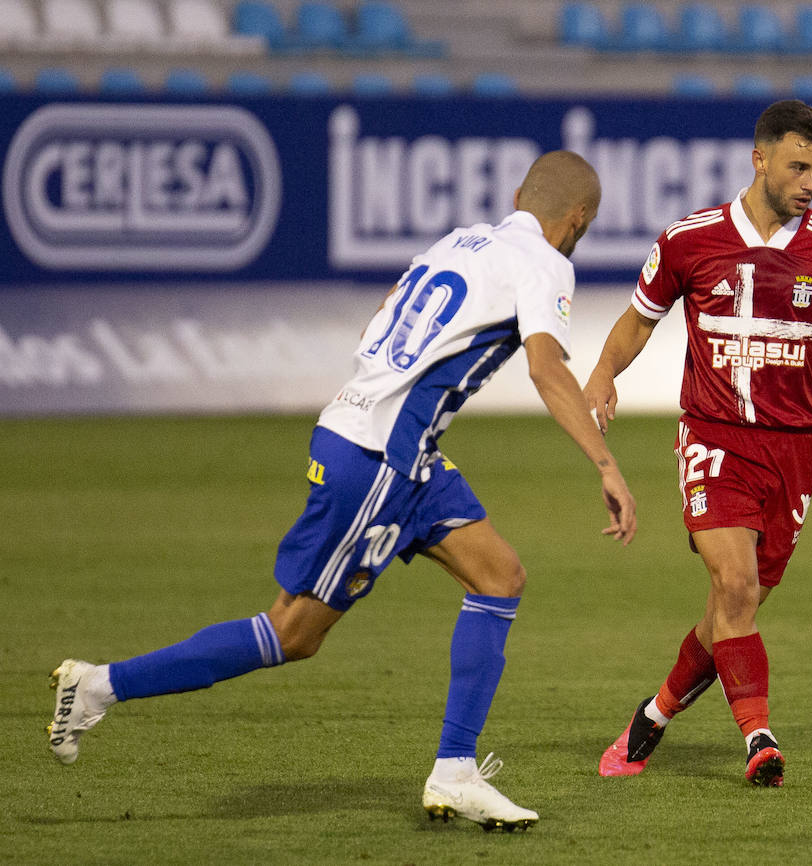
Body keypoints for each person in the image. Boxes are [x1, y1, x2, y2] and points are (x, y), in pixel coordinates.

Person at [46, 150, 636, 832]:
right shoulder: (546, 264)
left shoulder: (462, 240)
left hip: (395, 449)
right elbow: (545, 367)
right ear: (579, 218)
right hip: (378, 458)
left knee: (500, 576)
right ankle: (97, 686)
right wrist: (604, 463)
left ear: (515, 196)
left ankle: (456, 770)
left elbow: (378, 322)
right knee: (292, 633)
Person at [586, 100, 812, 787]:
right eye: (798, 166)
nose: (810, 181)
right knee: (735, 585)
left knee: (731, 615)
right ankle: (760, 739)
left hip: (794, 452)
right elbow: (637, 321)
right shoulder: (690, 239)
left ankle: (652, 716)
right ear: (760, 159)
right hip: (713, 438)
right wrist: (601, 371)